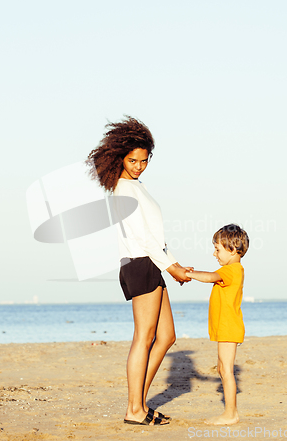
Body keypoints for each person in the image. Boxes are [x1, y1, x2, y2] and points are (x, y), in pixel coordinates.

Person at [86, 116, 192, 426]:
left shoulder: (136, 186)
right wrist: (171, 267)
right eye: (133, 160)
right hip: (140, 264)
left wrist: (173, 262)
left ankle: (139, 404)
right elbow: (144, 239)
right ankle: (135, 409)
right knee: (143, 338)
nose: (138, 166)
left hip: (151, 263)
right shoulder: (123, 190)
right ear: (120, 157)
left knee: (166, 336)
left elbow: (155, 237)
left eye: (144, 160)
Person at [186, 224, 249, 425]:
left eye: (217, 249)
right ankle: (230, 412)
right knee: (222, 369)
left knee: (226, 370)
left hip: (229, 328)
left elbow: (209, 277)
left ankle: (231, 414)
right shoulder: (231, 269)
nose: (214, 253)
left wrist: (188, 274)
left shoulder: (232, 270)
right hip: (226, 328)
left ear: (232, 250)